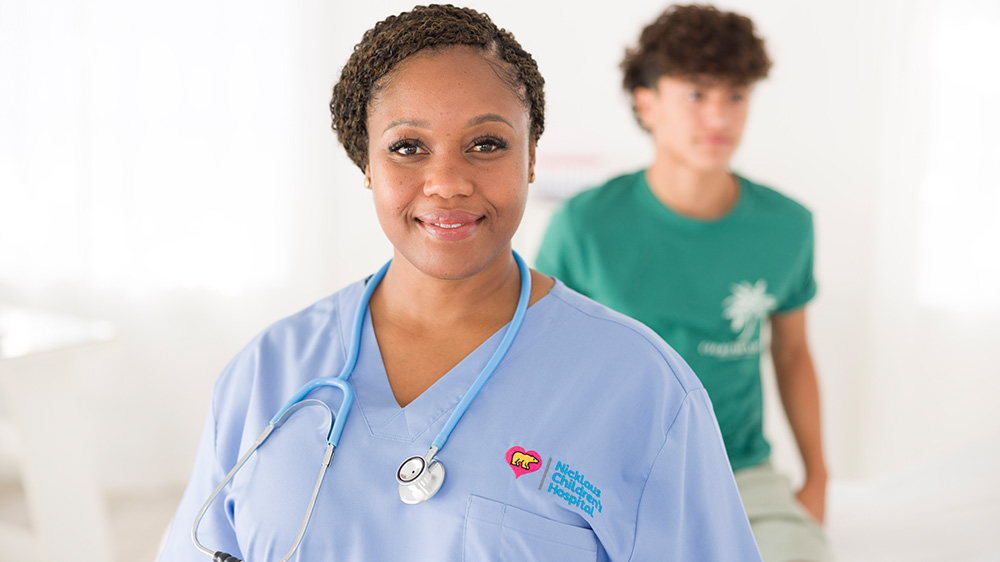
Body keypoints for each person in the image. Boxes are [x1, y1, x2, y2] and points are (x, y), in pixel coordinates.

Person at [159, 5, 761, 561]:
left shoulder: (642, 387)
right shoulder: (267, 373)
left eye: (485, 144)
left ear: (529, 158)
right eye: (408, 147)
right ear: (366, 164)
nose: (446, 181)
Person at [535, 4, 830, 562]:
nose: (718, 117)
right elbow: (541, 359)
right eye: (696, 94)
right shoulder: (585, 224)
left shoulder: (789, 226)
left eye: (735, 96)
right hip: (609, 469)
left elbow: (792, 354)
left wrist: (818, 477)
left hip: (741, 473)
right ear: (647, 103)